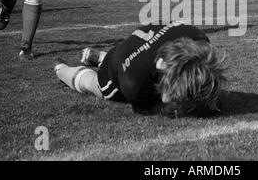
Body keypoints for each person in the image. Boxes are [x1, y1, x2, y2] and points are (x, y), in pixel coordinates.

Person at [54, 22, 228, 118]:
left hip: (143, 39)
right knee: (93, 84)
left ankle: (98, 56)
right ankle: (61, 69)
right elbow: (164, 102)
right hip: (119, 63)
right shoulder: (134, 84)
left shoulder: (197, 36)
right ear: (161, 66)